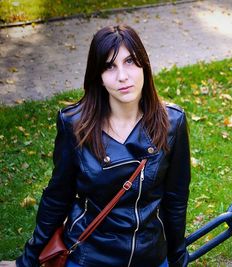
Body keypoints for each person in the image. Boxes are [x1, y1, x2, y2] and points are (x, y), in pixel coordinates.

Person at [13, 24, 191, 267]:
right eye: (109, 66)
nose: (122, 76)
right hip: (88, 256)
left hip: (149, 256)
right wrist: (28, 260)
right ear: (98, 75)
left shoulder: (172, 122)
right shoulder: (74, 124)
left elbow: (176, 199)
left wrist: (178, 258)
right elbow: (57, 196)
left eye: (130, 61)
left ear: (144, 66)